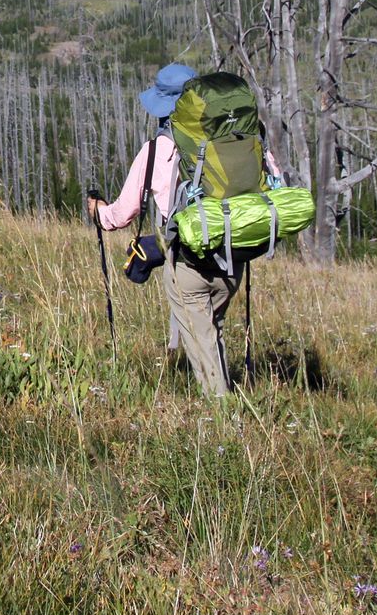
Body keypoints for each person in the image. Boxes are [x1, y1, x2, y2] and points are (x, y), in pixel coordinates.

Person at [87, 62, 280, 397]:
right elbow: (271, 184)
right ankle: (223, 396)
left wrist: (97, 211)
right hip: (234, 257)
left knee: (200, 334)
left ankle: (223, 415)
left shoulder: (158, 150)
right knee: (210, 328)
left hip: (188, 262)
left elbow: (121, 214)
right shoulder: (243, 140)